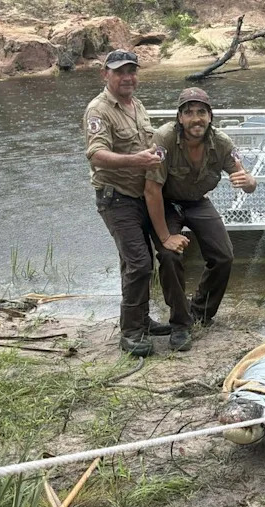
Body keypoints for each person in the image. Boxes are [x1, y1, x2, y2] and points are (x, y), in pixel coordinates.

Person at [145, 87, 256, 351]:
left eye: (202, 112)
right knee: (169, 255)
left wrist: (249, 181)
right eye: (189, 113)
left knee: (224, 255)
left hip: (197, 201)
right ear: (180, 118)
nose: (196, 118)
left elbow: (247, 181)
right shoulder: (164, 139)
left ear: (210, 116)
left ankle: (201, 313)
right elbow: (151, 190)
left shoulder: (222, 143)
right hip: (167, 202)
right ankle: (180, 323)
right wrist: (165, 237)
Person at [83, 49, 171, 357]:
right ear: (105, 74)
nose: (127, 77)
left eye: (131, 71)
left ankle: (139, 320)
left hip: (141, 197)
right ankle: (132, 332)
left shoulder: (137, 105)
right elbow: (96, 154)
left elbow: (148, 145)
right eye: (120, 71)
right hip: (116, 198)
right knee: (140, 263)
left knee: (135, 261)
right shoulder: (98, 110)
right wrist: (136, 160)